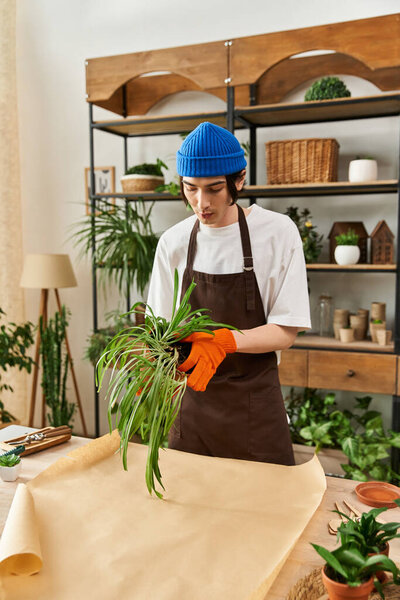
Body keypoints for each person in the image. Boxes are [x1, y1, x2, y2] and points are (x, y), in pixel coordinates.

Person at [146, 122, 311, 465]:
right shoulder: (174, 243)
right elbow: (158, 331)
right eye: (190, 188)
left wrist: (225, 341)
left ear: (239, 181)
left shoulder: (277, 233)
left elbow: (286, 331)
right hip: (193, 410)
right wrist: (153, 363)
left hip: (255, 411)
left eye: (214, 189)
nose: (201, 203)